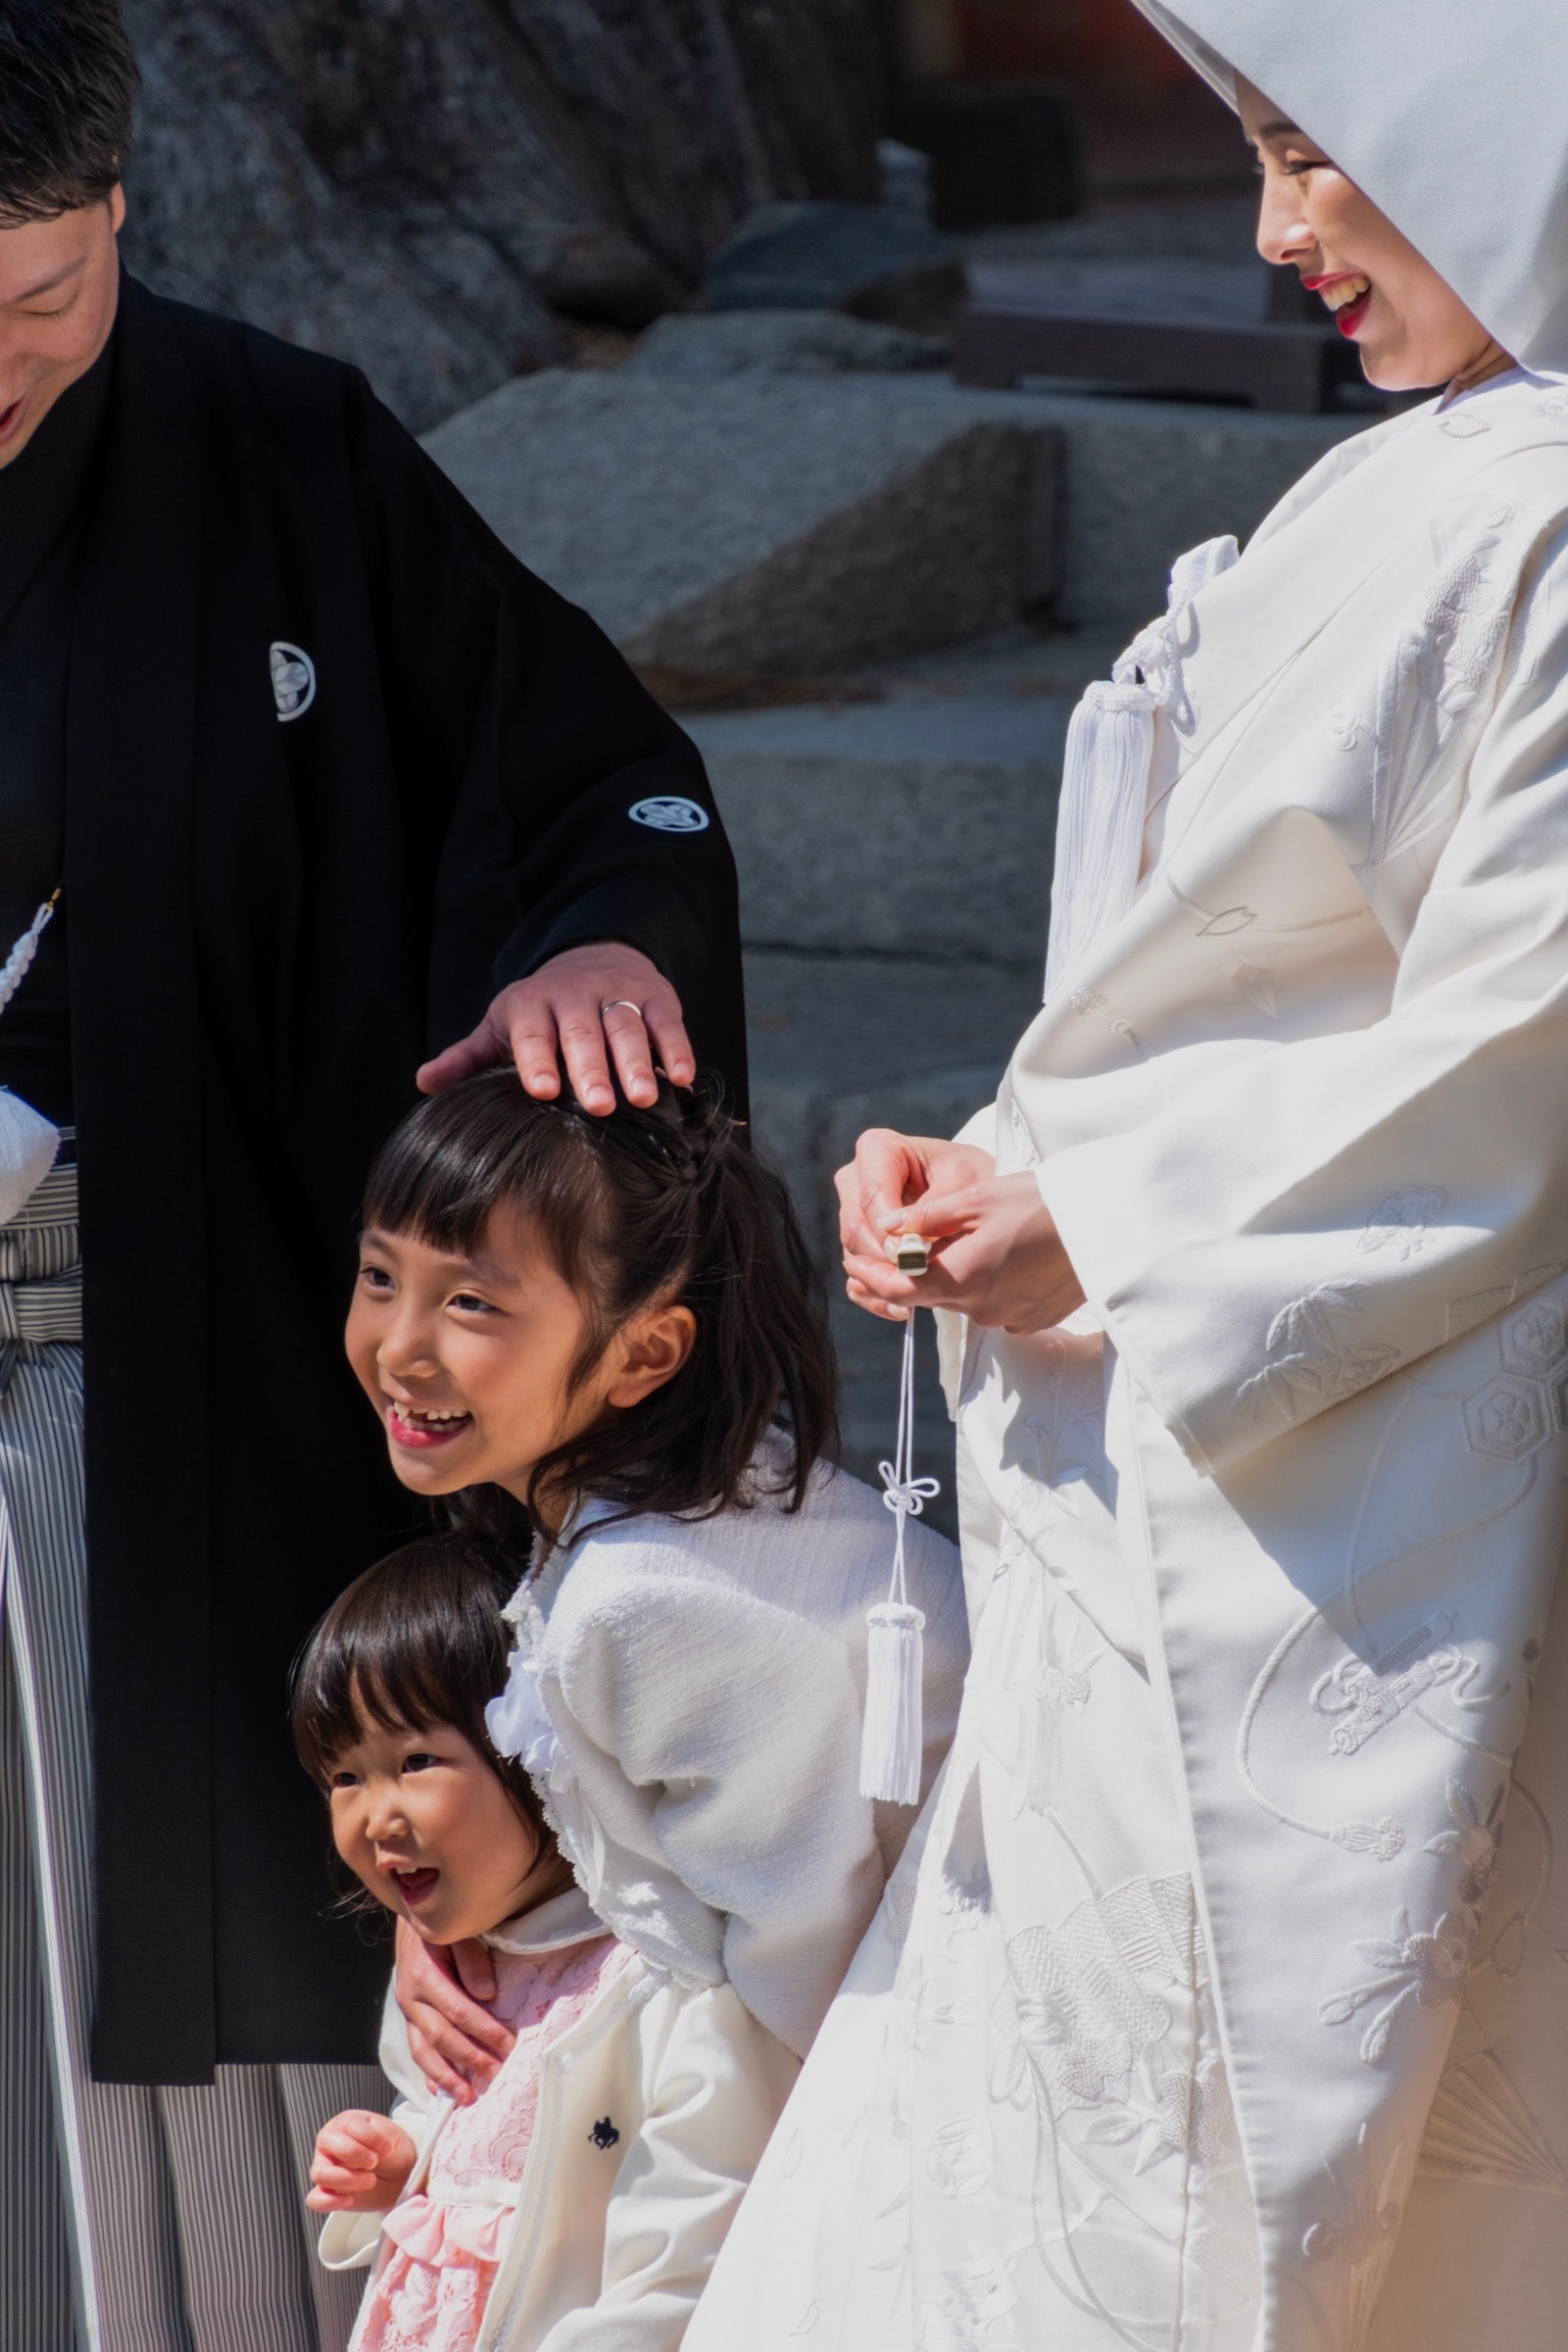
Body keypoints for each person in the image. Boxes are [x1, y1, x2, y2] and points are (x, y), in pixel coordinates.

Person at [686, 8, 1568, 2350]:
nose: (1279, 236)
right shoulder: (1440, 471)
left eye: (1313, 159)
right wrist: (1008, 1147)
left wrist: (1120, 1219)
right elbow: (1218, 962)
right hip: (1165, 1411)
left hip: (1311, 1441)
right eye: (1251, 161)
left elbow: (1516, 1030)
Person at [0, 5, 747, 2347]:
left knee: (246, 2009)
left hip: (180, 1401)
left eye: (39, 300)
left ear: (126, 214)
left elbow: (579, 767)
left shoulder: (271, 448)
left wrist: (600, 932)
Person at [345, 1069, 966, 2090]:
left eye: (468, 1301)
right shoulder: (699, 1489)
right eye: (379, 1277)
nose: (401, 1347)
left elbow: (798, 1979)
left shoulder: (641, 1604)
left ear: (644, 1354)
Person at [293, 1544, 799, 2352]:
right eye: (344, 1777)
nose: (375, 1818)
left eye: (416, 1760)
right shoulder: (442, 1975)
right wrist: (402, 2160)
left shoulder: (665, 1976)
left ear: (538, 1755)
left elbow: (688, 2239)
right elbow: (445, 2120)